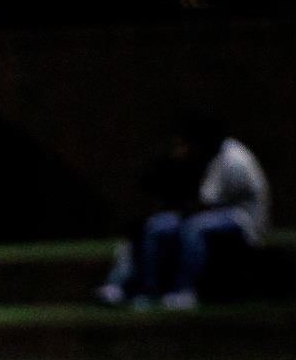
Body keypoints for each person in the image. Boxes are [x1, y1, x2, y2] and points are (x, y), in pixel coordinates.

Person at [97, 123, 271, 309]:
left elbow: (206, 204)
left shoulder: (231, 158)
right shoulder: (189, 161)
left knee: (192, 228)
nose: (181, 150)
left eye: (185, 145)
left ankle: (184, 291)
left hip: (244, 220)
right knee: (152, 228)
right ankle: (137, 289)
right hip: (208, 214)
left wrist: (174, 215)